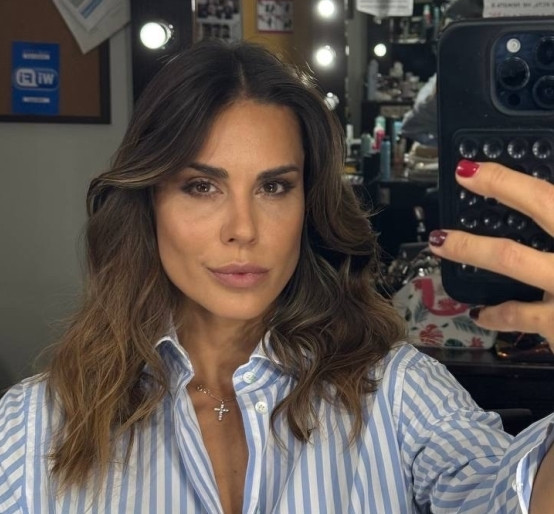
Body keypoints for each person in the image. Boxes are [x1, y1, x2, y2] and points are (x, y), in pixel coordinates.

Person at [0, 39, 553, 514]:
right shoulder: (34, 426)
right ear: (148, 202)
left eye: (274, 187)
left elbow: (508, 496)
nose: (243, 229)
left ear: (307, 204)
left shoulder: (397, 392)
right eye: (202, 186)